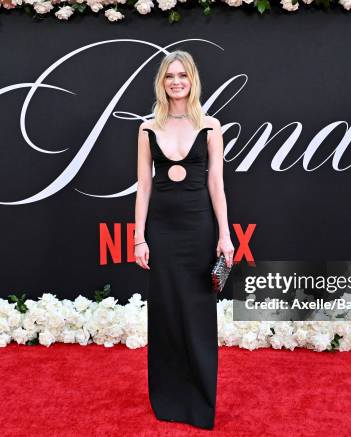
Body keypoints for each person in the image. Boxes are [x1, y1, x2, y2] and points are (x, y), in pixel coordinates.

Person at [133, 50, 234, 430]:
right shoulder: (146, 128)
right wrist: (139, 236)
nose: (176, 81)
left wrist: (225, 234)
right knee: (165, 313)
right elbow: (143, 186)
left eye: (183, 76)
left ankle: (199, 399)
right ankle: (168, 397)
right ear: (161, 82)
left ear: (192, 81)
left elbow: (216, 184)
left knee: (198, 314)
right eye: (170, 76)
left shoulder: (210, 125)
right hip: (161, 229)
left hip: (199, 228)